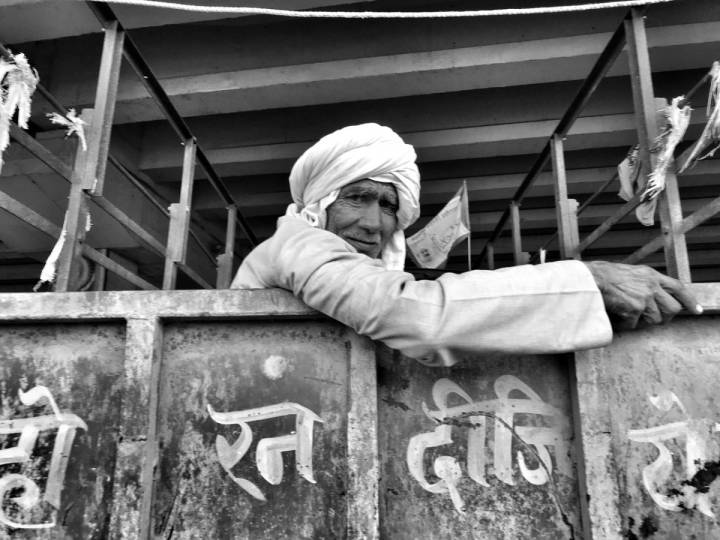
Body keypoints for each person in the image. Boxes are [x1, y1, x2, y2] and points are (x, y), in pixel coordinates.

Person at [231, 123, 702, 366]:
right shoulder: (299, 243)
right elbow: (419, 318)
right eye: (358, 198)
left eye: (389, 206)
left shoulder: (325, 253)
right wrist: (589, 281)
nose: (375, 224)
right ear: (320, 202)